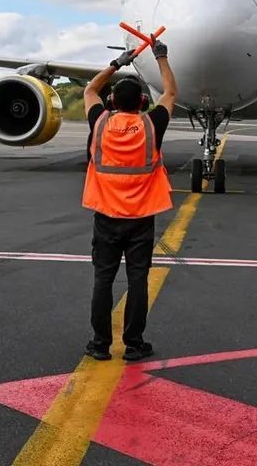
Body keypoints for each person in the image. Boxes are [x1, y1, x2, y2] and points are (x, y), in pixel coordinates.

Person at [80, 35, 177, 361]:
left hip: (106, 217)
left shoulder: (100, 122)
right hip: (141, 218)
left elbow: (90, 90)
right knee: (138, 281)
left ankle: (100, 344)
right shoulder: (152, 125)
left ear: (111, 102)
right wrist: (161, 57)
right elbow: (171, 93)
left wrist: (116, 64)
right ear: (143, 102)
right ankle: (134, 344)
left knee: (103, 280)